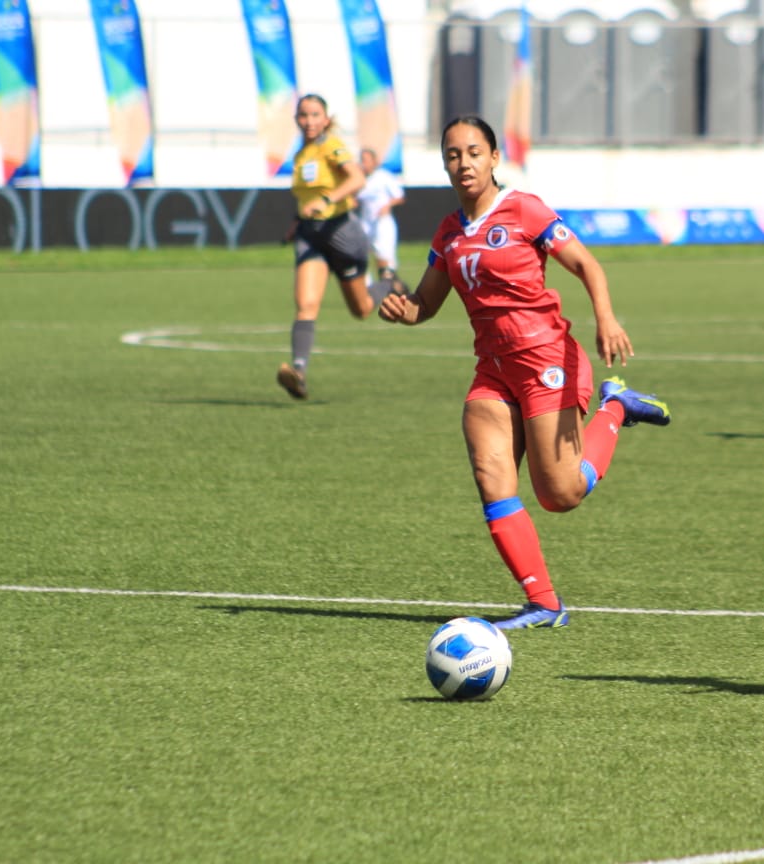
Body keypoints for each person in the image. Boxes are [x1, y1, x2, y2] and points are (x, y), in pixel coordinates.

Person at [377, 115, 672, 630]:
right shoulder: (449, 231)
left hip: (548, 360)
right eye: (452, 154)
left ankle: (615, 406)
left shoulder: (524, 210)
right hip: (492, 369)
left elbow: (586, 265)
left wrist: (605, 317)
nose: (463, 162)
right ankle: (544, 603)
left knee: (560, 495)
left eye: (473, 152)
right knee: (491, 476)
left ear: (494, 158)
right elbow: (427, 302)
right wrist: (406, 311)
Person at [277, 94, 385, 400]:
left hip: (340, 234)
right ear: (297, 119)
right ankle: (298, 372)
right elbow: (305, 199)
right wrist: (297, 222)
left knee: (361, 308)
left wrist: (326, 200)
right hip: (310, 236)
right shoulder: (301, 154)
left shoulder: (332, 145)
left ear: (325, 119)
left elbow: (357, 179)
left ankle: (387, 284)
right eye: (303, 115)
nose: (309, 121)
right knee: (306, 304)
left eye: (315, 115)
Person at [357, 146, 406, 287]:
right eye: (362, 160)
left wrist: (387, 205)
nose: (363, 163)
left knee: (383, 255)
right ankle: (367, 287)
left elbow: (400, 196)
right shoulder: (360, 179)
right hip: (365, 222)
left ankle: (392, 285)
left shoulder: (384, 177)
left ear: (374, 161)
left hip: (382, 222)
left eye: (366, 160)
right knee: (361, 253)